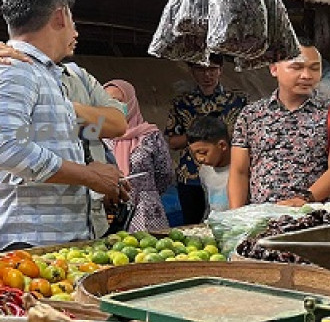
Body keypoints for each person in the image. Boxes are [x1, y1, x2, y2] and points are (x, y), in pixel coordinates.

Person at [0, 0, 125, 253]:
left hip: (50, 244)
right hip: (25, 245)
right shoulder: (13, 68)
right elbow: (5, 149)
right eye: (73, 20)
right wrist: (89, 176)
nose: (75, 32)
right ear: (60, 16)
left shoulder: (43, 73)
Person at [0, 45, 127, 236]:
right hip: (29, 228)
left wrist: (63, 107)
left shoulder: (77, 76)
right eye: (69, 21)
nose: (76, 34)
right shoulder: (8, 69)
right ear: (57, 19)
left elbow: (118, 124)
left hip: (87, 220)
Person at [229, 45, 330, 208]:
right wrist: (235, 216)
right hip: (263, 220)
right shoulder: (250, 115)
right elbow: (239, 171)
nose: (306, 75)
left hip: (316, 217)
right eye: (297, 67)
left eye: (314, 68)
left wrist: (303, 200)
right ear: (274, 69)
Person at [165, 59, 247, 223]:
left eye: (212, 69)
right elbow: (172, 142)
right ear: (191, 71)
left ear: (221, 70)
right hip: (190, 176)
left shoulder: (238, 101)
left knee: (235, 218)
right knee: (193, 225)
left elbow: (248, 136)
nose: (207, 75)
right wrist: (201, 134)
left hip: (230, 171)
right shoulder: (181, 103)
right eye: (200, 70)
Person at [104, 79, 174, 232]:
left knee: (150, 252)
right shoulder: (98, 136)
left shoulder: (150, 135)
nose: (113, 106)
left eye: (118, 101)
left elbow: (165, 173)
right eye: (107, 101)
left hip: (145, 211)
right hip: (109, 211)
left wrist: (146, 192)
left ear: (130, 102)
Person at [187, 116, 233, 215]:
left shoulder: (240, 169)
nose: (199, 158)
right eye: (194, 153)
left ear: (222, 145)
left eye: (203, 152)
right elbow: (209, 206)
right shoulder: (204, 171)